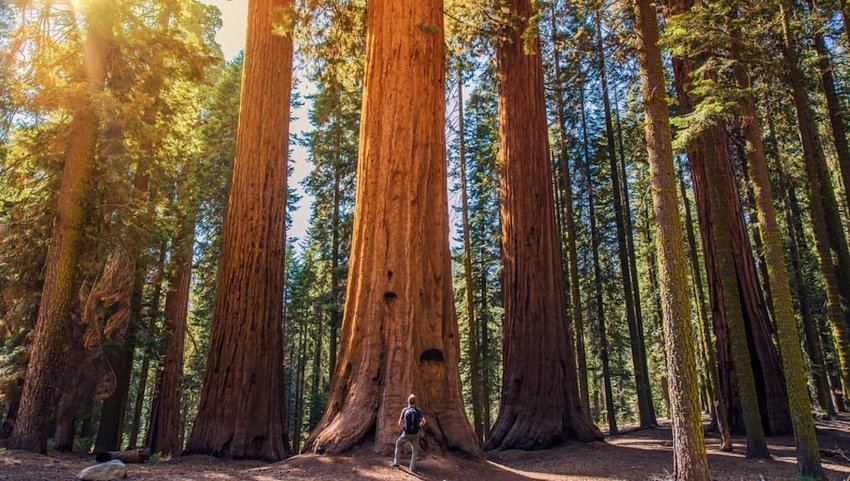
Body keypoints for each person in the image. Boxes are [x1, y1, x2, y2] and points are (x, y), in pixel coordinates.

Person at [392, 394, 426, 472]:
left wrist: (404, 428)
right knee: (415, 450)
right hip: (415, 434)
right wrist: (419, 427)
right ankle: (412, 468)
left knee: (398, 444)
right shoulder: (418, 410)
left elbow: (399, 422)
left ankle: (396, 464)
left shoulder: (405, 410)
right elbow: (424, 421)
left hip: (406, 433)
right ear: (415, 402)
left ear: (408, 401)